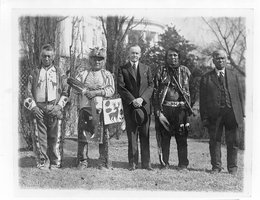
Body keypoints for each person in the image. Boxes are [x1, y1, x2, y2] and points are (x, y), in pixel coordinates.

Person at [23, 44, 69, 171]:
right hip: (39, 109)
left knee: (55, 137)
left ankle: (55, 162)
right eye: (44, 56)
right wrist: (34, 108)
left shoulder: (59, 72)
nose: (46, 59)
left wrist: (59, 106)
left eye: (49, 56)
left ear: (53, 57)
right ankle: (43, 162)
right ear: (40, 57)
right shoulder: (34, 72)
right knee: (41, 138)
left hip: (54, 108)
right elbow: (27, 93)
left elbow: (66, 91)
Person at [199, 50, 244, 175]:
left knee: (233, 142)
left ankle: (233, 167)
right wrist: (204, 117)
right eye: (218, 58)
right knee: (214, 141)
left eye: (223, 58)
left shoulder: (234, 75)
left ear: (226, 60)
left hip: (232, 113)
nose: (221, 60)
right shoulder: (206, 78)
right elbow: (202, 100)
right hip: (214, 115)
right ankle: (216, 167)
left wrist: (242, 114)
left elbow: (240, 96)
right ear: (213, 60)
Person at [75, 47, 115, 170]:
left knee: (103, 136)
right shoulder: (83, 74)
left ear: (103, 61)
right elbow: (75, 86)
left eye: (100, 59)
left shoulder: (107, 75)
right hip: (85, 108)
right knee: (83, 136)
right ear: (90, 60)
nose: (97, 62)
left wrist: (97, 92)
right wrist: (84, 90)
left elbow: (111, 90)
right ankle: (82, 161)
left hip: (100, 109)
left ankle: (102, 161)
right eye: (94, 59)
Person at [153, 47, 191, 170]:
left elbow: (192, 91)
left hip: (181, 109)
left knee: (182, 137)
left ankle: (183, 164)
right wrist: (157, 109)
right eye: (170, 55)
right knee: (165, 138)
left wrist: (188, 106)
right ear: (166, 57)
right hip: (165, 109)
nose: (172, 57)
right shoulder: (161, 71)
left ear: (178, 57)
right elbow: (155, 90)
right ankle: (165, 163)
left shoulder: (185, 71)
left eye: (175, 55)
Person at [118, 45, 154, 171]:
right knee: (132, 136)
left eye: (137, 53)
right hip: (130, 107)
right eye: (132, 53)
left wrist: (142, 99)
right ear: (129, 54)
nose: (135, 55)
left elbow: (151, 86)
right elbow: (121, 87)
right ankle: (132, 163)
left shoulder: (146, 68)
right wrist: (133, 100)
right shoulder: (123, 69)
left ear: (140, 54)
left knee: (145, 135)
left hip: (144, 107)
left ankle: (146, 163)